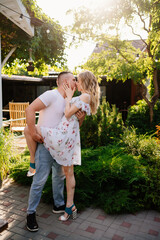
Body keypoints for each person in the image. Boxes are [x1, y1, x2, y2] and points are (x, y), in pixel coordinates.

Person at [24, 71, 85, 232]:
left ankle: (58, 204)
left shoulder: (71, 101)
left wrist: (81, 118)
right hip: (45, 145)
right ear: (64, 82)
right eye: (74, 79)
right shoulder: (50, 95)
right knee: (39, 180)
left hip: (62, 148)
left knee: (59, 177)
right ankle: (30, 214)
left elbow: (74, 129)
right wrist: (34, 133)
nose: (76, 82)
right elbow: (30, 109)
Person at [36, 70, 100, 221]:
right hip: (69, 134)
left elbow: (67, 114)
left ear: (84, 82)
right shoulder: (84, 97)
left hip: (65, 135)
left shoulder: (84, 96)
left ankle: (33, 160)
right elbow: (77, 118)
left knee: (34, 129)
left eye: (78, 80)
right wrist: (71, 100)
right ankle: (70, 207)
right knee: (68, 173)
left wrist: (69, 98)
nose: (76, 82)